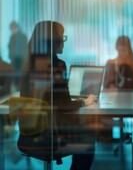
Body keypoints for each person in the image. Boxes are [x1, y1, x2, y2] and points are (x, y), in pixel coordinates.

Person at [19, 21, 97, 170]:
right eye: (62, 37)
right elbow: (64, 105)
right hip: (50, 137)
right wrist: (84, 101)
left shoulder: (28, 64)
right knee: (88, 141)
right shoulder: (56, 65)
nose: (63, 41)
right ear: (54, 41)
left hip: (27, 137)